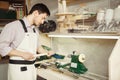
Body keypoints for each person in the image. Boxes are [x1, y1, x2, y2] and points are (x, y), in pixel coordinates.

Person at [0, 3, 54, 80]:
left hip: (32, 68)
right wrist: (22, 54)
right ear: (35, 13)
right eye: (42, 18)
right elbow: (1, 47)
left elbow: (38, 47)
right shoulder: (13, 26)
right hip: (18, 70)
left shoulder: (35, 30)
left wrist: (46, 52)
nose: (42, 22)